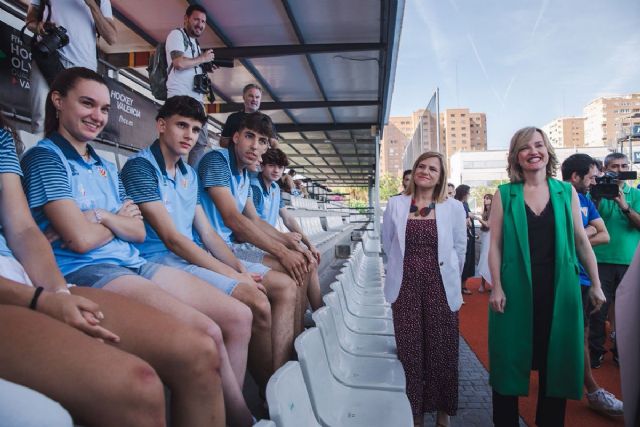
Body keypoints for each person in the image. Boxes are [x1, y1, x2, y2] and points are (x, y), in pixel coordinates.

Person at [20, 67, 254, 426]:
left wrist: (99, 217)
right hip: (89, 271)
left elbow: (138, 232)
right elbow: (79, 240)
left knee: (233, 319)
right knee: (205, 335)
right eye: (87, 103)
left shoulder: (101, 164)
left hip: (133, 263)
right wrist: (114, 220)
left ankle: (238, 417)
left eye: (103, 108)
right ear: (57, 101)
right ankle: (242, 419)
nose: (97, 116)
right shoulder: (46, 157)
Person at [121, 95, 277, 400]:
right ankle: (251, 399)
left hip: (188, 257)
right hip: (156, 260)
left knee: (257, 294)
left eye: (194, 129)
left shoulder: (188, 174)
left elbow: (207, 233)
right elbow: (172, 239)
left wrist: (239, 268)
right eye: (181, 125)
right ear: (162, 125)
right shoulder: (140, 167)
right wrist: (233, 276)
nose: (188, 135)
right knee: (252, 301)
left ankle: (251, 393)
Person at [488, 127, 606, 427]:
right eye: (525, 147)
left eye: (538, 145)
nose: (533, 151)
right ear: (516, 156)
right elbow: (495, 245)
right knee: (509, 360)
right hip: (514, 291)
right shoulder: (506, 194)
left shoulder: (565, 191)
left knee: (557, 364)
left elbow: (581, 240)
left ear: (548, 151)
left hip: (559, 289)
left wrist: (596, 283)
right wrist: (497, 287)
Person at [196, 112, 313, 382]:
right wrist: (284, 250)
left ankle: (292, 353)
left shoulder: (245, 173)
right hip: (213, 248)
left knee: (301, 265)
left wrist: (290, 244)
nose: (255, 146)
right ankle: (278, 377)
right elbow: (233, 220)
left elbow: (254, 219)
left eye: (262, 141)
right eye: (249, 137)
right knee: (286, 283)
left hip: (231, 247)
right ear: (235, 137)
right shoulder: (216, 160)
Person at [382, 151, 467, 427]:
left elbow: (459, 249)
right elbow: (388, 244)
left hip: (440, 285)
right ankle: (414, 414)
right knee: (410, 351)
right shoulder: (396, 204)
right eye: (421, 166)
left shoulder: (453, 207)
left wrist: (451, 278)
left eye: (433, 169)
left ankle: (443, 414)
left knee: (442, 349)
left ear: (441, 177)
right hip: (405, 284)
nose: (426, 171)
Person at [561, 153, 623, 416]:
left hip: (585, 277)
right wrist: (585, 233)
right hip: (564, 277)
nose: (595, 182)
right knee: (577, 335)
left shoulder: (587, 199)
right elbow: (558, 237)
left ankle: (587, 387)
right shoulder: (557, 197)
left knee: (581, 333)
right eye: (591, 177)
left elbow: (604, 234)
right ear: (575, 177)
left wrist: (580, 235)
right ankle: (592, 389)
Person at [25, 0, 117, 135]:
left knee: (79, 122)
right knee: (41, 119)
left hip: (83, 66)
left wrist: (91, 4)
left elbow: (112, 38)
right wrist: (39, 26)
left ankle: (69, 154)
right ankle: (41, 155)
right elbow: (29, 21)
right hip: (48, 56)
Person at [251, 147, 323, 311]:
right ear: (262, 166)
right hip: (253, 243)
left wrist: (309, 244)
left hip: (268, 242)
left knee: (308, 260)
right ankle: (317, 312)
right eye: (271, 165)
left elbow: (288, 219)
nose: (276, 170)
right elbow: (254, 224)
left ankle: (318, 311)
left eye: (280, 167)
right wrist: (287, 240)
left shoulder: (275, 189)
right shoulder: (255, 187)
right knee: (302, 263)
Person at [589, 152, 640, 370]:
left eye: (623, 166)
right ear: (605, 169)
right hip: (600, 260)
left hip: (629, 261)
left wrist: (625, 205)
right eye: (614, 167)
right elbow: (588, 220)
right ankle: (596, 351)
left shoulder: (635, 193)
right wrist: (599, 196)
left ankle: (623, 353)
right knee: (598, 310)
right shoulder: (596, 192)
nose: (620, 170)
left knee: (628, 312)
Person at [166, 4, 217, 166]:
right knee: (178, 142)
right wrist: (203, 59)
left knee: (200, 142)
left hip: (196, 101)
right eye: (196, 19)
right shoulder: (176, 34)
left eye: (203, 21)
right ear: (186, 19)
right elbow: (179, 63)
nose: (200, 24)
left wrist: (205, 66)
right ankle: (174, 174)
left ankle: (189, 178)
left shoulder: (195, 44)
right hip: (180, 98)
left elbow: (191, 65)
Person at [219, 84, 277, 148]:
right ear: (244, 97)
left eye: (257, 97)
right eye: (251, 96)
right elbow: (223, 143)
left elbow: (274, 144)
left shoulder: (266, 119)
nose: (254, 100)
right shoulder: (233, 118)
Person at [455, 184, 475, 295]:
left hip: (469, 236)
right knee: (461, 262)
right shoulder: (457, 204)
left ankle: (463, 286)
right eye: (468, 192)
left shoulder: (465, 204)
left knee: (468, 261)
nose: (469, 195)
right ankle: (458, 288)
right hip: (463, 237)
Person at [475, 193, 493, 293]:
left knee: (487, 259)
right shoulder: (485, 211)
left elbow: (488, 225)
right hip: (485, 237)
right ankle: (482, 284)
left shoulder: (493, 211)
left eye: (487, 198)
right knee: (483, 259)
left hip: (491, 237)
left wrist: (478, 218)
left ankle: (490, 284)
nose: (485, 200)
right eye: (484, 198)